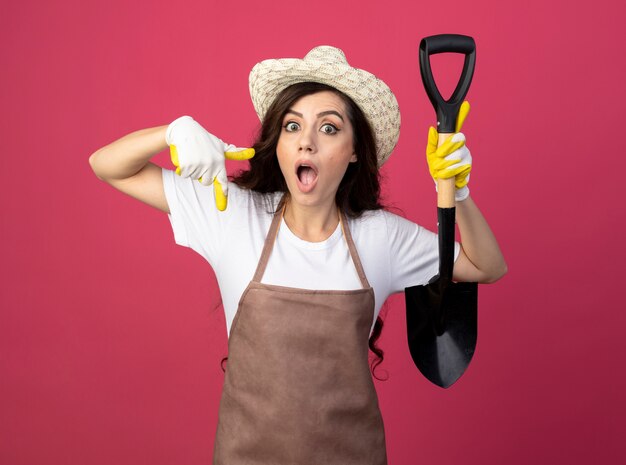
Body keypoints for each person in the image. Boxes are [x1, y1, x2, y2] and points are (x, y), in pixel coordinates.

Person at [89, 45, 506, 465]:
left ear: (356, 150)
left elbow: (486, 266)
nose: (306, 141)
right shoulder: (232, 213)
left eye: (328, 128)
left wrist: (459, 191)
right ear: (279, 143)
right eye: (292, 126)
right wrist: (172, 132)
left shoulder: (380, 236)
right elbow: (108, 164)